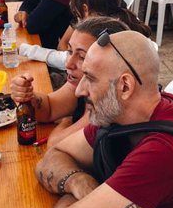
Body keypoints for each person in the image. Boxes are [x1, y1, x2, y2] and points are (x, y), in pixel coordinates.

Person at [34, 30, 173, 208]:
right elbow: (54, 155)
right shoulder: (123, 112)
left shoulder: (161, 154)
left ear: (125, 86)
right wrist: (78, 182)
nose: (79, 90)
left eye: (90, 78)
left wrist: (77, 199)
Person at [12, 17, 129, 146]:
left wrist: (66, 120)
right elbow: (50, 108)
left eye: (82, 57)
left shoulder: (108, 100)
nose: (68, 64)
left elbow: (55, 143)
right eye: (69, 51)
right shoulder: (80, 83)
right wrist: (28, 95)